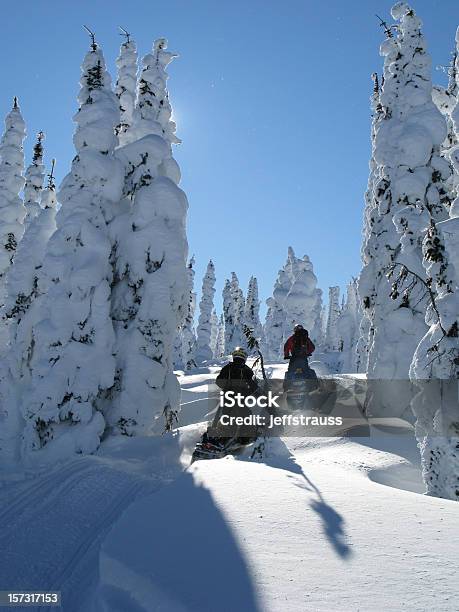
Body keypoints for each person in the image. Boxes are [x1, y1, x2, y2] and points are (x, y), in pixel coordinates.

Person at [204, 347, 259, 448]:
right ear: (244, 357)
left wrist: (227, 388)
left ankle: (222, 438)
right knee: (246, 417)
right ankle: (243, 439)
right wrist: (247, 392)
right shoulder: (246, 370)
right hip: (240, 398)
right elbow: (253, 386)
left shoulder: (227, 368)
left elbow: (219, 381)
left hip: (227, 397)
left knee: (227, 417)